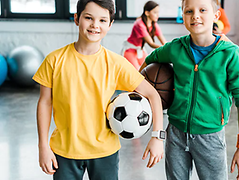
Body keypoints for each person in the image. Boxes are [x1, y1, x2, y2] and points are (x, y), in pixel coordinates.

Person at [33, 0, 164, 179]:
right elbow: (45, 103)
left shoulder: (116, 64)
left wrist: (157, 137)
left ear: (110, 24)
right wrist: (43, 147)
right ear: (77, 18)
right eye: (88, 18)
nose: (95, 25)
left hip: (105, 152)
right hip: (64, 152)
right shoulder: (54, 60)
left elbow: (152, 95)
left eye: (103, 20)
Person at [140, 0, 239, 179]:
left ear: (216, 15)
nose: (195, 15)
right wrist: (139, 93)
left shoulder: (231, 55)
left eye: (203, 10)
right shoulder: (176, 48)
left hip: (210, 137)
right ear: (183, 16)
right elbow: (151, 58)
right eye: (189, 11)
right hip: (176, 132)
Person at [121, 1, 167, 70]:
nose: (157, 15)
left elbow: (164, 43)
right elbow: (151, 43)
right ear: (147, 13)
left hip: (140, 50)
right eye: (155, 12)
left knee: (148, 69)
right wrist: (166, 48)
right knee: (137, 73)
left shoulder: (154, 25)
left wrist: (169, 47)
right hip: (130, 50)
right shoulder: (139, 24)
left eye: (158, 12)